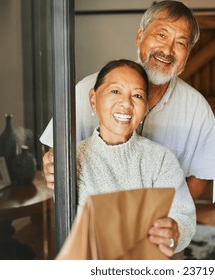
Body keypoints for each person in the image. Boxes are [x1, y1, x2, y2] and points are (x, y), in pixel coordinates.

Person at [41, 0, 215, 200]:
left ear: (187, 54)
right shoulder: (88, 89)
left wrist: (169, 214)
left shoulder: (197, 110)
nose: (168, 50)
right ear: (140, 37)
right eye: (161, 35)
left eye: (180, 43)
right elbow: (57, 153)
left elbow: (201, 174)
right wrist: (52, 165)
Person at [76, 59, 196, 258]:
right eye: (116, 91)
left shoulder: (161, 159)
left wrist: (174, 232)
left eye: (137, 95)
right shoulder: (75, 159)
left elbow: (183, 216)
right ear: (93, 99)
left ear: (146, 108)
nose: (126, 103)